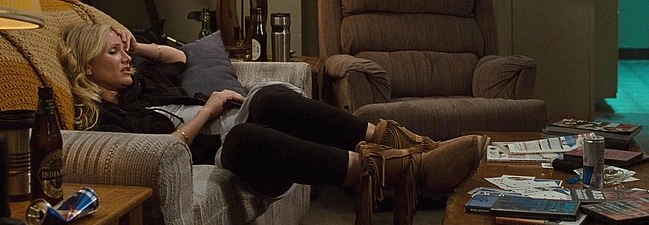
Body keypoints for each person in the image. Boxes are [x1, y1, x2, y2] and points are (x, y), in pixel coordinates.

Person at [57, 23, 485, 224]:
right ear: (87, 66)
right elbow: (162, 150)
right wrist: (208, 110)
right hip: (225, 150)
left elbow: (182, 57)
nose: (126, 59)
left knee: (268, 97)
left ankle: (402, 144)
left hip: (233, 122)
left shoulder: (140, 84)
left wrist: (137, 45)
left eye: (124, 51)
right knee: (243, 136)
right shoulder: (103, 119)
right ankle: (400, 171)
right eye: (113, 53)